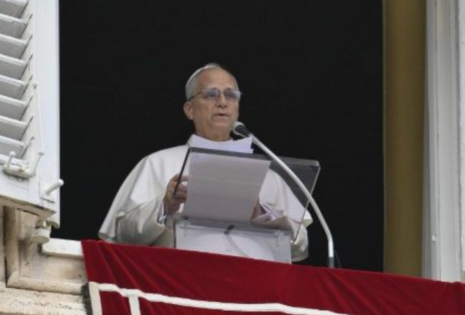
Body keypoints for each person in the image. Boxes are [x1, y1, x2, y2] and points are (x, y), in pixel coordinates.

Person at [98, 63, 311, 262]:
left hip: (254, 284)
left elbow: (300, 247)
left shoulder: (269, 177)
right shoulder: (157, 163)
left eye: (231, 95)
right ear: (189, 109)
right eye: (211, 94)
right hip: (181, 280)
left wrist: (261, 213)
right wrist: (165, 205)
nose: (222, 102)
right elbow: (123, 236)